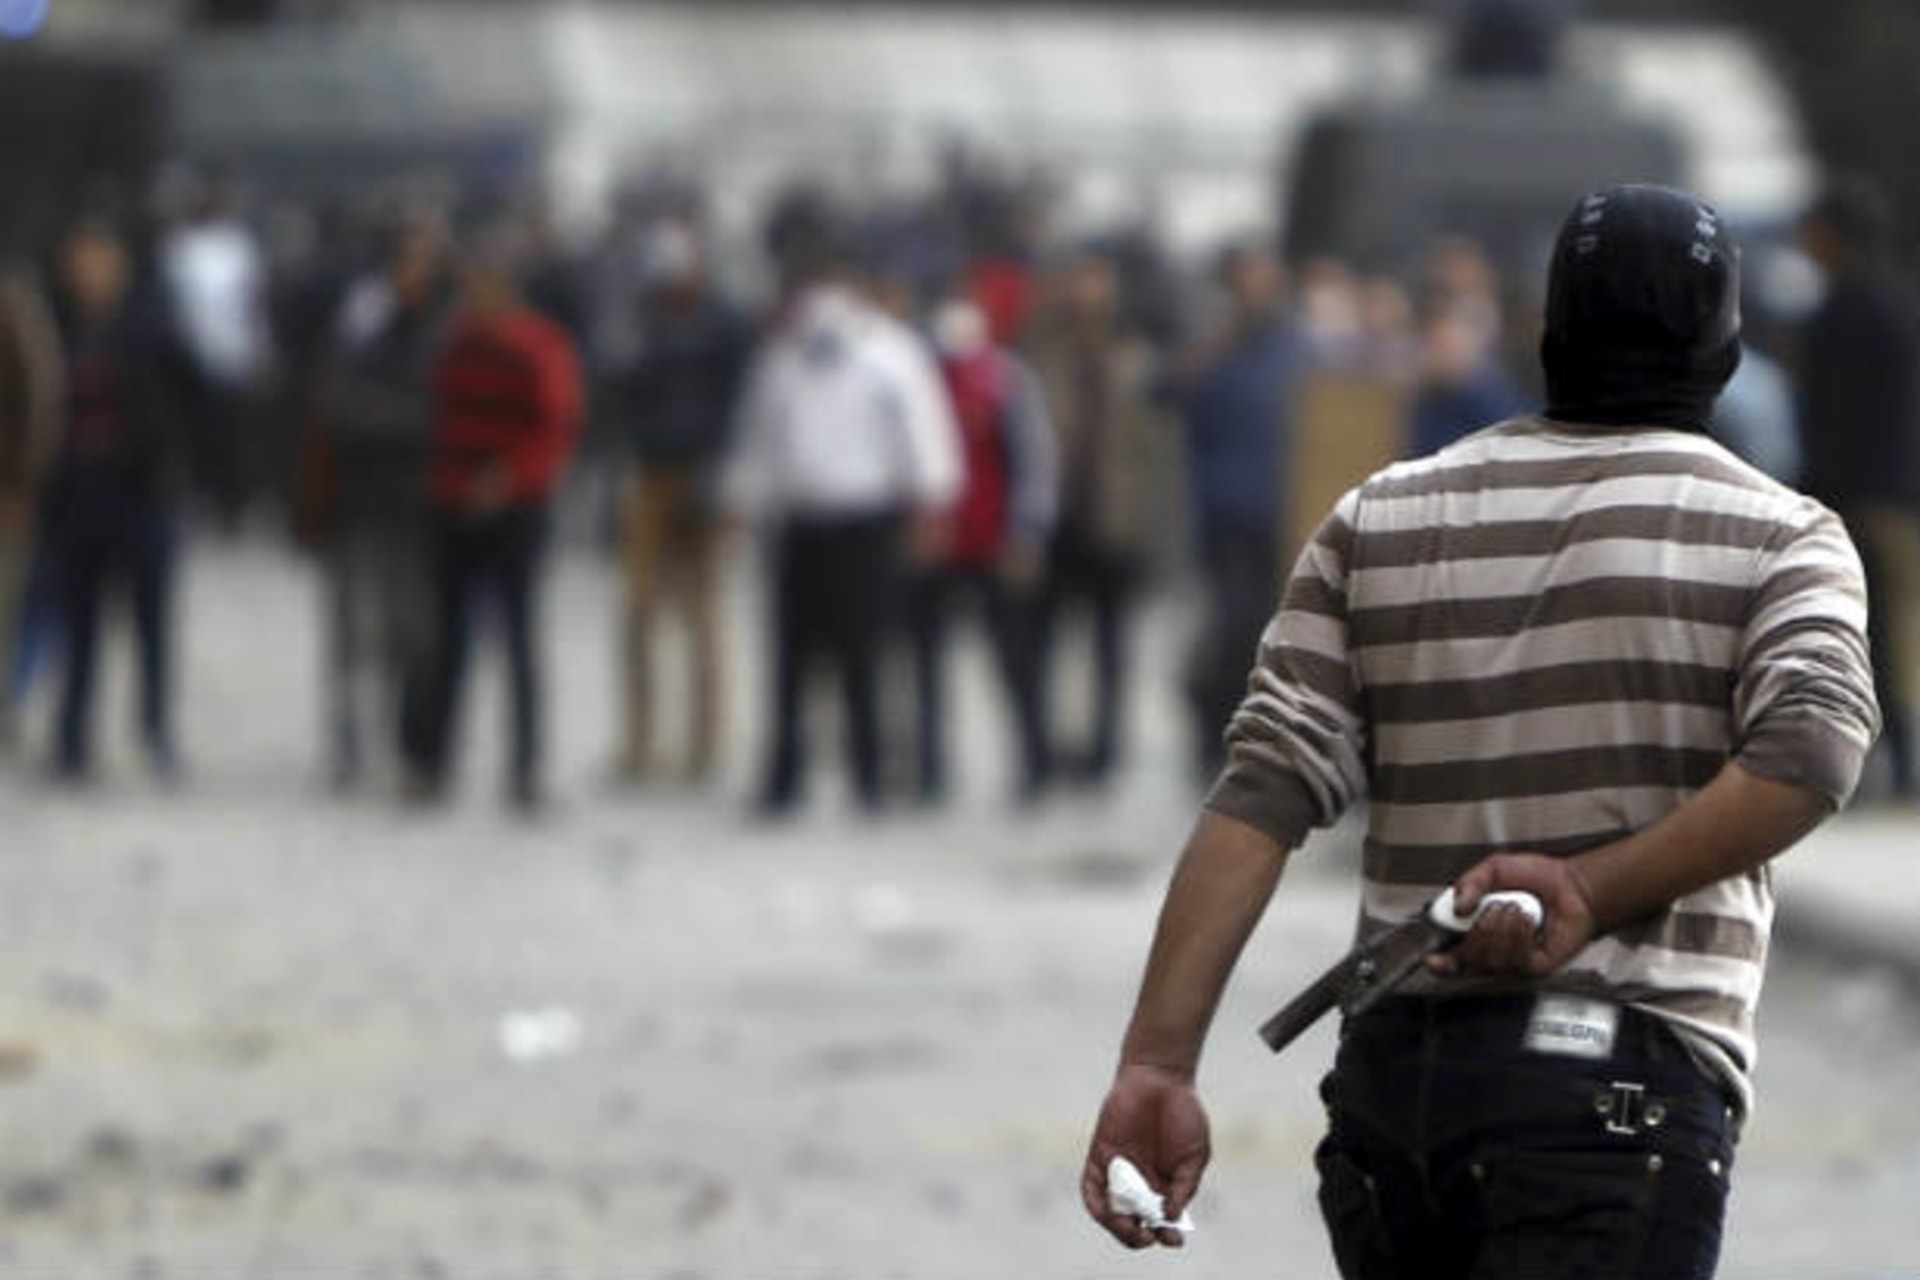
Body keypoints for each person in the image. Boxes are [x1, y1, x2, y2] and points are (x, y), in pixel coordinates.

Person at [1081, 186, 1879, 1279]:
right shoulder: (1785, 539)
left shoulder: (1383, 516)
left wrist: (1157, 1061)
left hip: (1397, 1095)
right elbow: (1814, 750)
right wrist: (1591, 891)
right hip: (1623, 1093)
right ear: (1726, 348)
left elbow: (1262, 790)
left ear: (1544, 333)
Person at [724, 236, 962, 816]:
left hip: (865, 524)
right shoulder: (782, 355)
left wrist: (931, 503)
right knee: (788, 660)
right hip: (801, 523)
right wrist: (741, 499)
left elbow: (925, 434)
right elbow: (758, 435)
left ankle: (869, 778)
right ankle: (784, 777)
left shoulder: (892, 355)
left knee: (864, 657)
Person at [412, 231, 584, 812]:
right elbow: (433, 416)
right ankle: (435, 760)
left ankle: (526, 765)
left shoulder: (540, 346)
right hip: (453, 504)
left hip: (516, 509)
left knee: (519, 641)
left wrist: (508, 479)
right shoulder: (453, 344)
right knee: (449, 641)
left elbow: (554, 427)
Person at [297, 216, 450, 789]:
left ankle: (401, 741)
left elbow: (444, 413)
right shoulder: (358, 326)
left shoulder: (446, 331)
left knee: (409, 634)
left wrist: (395, 417)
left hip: (417, 508)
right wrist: (408, 418)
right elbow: (337, 404)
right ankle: (346, 740)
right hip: (354, 500)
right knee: (347, 629)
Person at [44, 220, 189, 783]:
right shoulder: (56, 328)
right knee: (78, 626)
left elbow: (193, 390)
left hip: (139, 493)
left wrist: (172, 457)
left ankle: (154, 731)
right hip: (77, 493)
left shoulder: (150, 326)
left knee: (150, 624)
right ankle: (72, 737)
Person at [610, 220, 753, 787]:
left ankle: (704, 744)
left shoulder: (725, 325)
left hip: (703, 473)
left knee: (702, 616)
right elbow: (620, 394)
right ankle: (641, 743)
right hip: (649, 474)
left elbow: (741, 403)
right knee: (639, 613)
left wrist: (729, 478)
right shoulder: (640, 322)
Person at [1025, 250, 1169, 786]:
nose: (1087, 294)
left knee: (1111, 650)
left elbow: (1154, 450)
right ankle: (1042, 751)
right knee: (1044, 646)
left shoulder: (1135, 358)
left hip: (1114, 524)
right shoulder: (1043, 355)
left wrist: (1150, 527)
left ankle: (1104, 753)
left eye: (1097, 282)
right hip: (1054, 523)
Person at [1797, 175, 1920, 801]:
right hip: (1901, 494)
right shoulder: (1901, 303)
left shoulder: (1841, 313)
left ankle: (1891, 761)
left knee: (1873, 634)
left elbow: (1836, 420)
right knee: (1900, 629)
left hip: (1861, 501)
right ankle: (1902, 761)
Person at [906, 295, 1057, 806]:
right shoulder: (921, 379)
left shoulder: (1006, 380)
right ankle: (928, 772)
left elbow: (1034, 460)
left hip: (994, 542)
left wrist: (1026, 534)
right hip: (939, 544)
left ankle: (1034, 766)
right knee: (925, 665)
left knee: (1015, 663)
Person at [1159, 242, 1299, 780]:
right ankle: (1209, 733)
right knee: (1229, 628)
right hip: (1223, 517)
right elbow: (1164, 393)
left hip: (1284, 516)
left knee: (1272, 633)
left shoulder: (1294, 346)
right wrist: (1208, 349)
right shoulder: (1210, 348)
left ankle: (1259, 738)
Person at [0, 257, 62, 750]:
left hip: (5, 497)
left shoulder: (13, 311)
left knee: (8, 612)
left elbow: (42, 404)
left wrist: (22, 486)